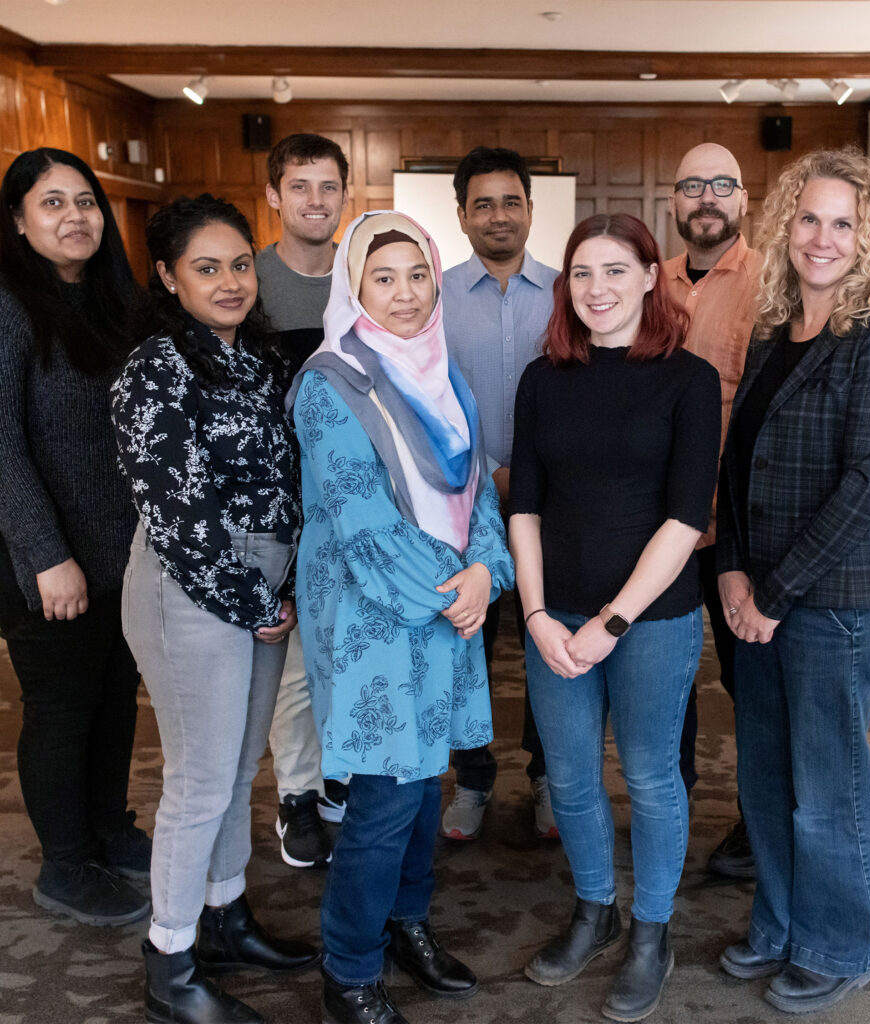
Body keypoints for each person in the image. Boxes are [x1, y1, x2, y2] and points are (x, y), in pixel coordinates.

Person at [289, 210, 514, 1024]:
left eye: (418, 274)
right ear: (355, 288)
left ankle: (403, 926)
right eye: (383, 278)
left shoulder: (443, 373)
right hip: (376, 619)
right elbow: (360, 522)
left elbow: (479, 488)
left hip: (447, 609)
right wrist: (458, 594)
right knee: (384, 801)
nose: (407, 294)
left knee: (425, 791)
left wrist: (488, 570)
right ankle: (347, 968)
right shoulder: (328, 382)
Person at [715, 149, 870, 1014]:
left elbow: (863, 486)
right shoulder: (770, 331)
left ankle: (844, 941)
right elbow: (737, 463)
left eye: (843, 222)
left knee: (828, 789)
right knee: (764, 777)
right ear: (784, 228)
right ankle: (783, 923)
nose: (823, 238)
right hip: (753, 594)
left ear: (867, 236)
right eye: (808, 219)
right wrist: (728, 568)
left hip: (832, 605)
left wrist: (772, 593)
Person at [111, 194, 318, 1024]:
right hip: (190, 593)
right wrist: (251, 600)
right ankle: (169, 961)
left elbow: (286, 480)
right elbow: (180, 514)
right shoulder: (157, 368)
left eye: (239, 264)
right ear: (167, 276)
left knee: (239, 771)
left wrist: (284, 586)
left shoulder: (258, 359)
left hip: (263, 595)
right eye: (206, 268)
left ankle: (226, 916)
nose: (229, 282)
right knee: (198, 782)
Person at [510, 213, 720, 1022]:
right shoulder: (543, 379)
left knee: (649, 778)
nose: (597, 289)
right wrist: (533, 613)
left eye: (614, 271)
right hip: (553, 615)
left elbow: (683, 519)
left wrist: (613, 621)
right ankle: (595, 911)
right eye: (582, 274)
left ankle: (651, 931)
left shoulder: (687, 380)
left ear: (647, 277)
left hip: (652, 619)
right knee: (567, 776)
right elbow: (522, 504)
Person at [0, 147, 150, 927]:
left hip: (120, 554)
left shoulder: (113, 302)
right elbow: (2, 446)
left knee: (114, 698)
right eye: (52, 203)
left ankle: (107, 831)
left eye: (85, 201)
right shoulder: (9, 305)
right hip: (46, 561)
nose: (75, 216)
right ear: (19, 222)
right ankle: (64, 868)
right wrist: (48, 555)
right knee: (61, 708)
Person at [442, 145, 559, 840]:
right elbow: (431, 398)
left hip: (555, 503)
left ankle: (549, 777)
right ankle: (473, 780)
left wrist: (534, 476)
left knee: (550, 643)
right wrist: (491, 470)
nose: (498, 216)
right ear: (461, 216)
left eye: (510, 201)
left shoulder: (568, 290)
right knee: (468, 647)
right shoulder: (434, 295)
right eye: (482, 203)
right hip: (464, 503)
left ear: (530, 210)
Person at [663, 142, 762, 878]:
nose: (706, 197)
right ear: (674, 201)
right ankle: (672, 808)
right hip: (660, 526)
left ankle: (761, 822)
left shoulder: (774, 283)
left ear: (742, 200)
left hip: (740, 529)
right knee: (665, 681)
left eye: (721, 185)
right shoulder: (644, 282)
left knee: (749, 680)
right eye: (692, 185)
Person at [258, 132, 352, 869]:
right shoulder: (246, 281)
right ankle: (296, 794)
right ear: (274, 195)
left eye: (328, 186)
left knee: (347, 647)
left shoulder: (361, 277)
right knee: (291, 659)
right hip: (275, 502)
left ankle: (339, 779)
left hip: (349, 497)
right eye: (300, 186)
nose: (315, 200)